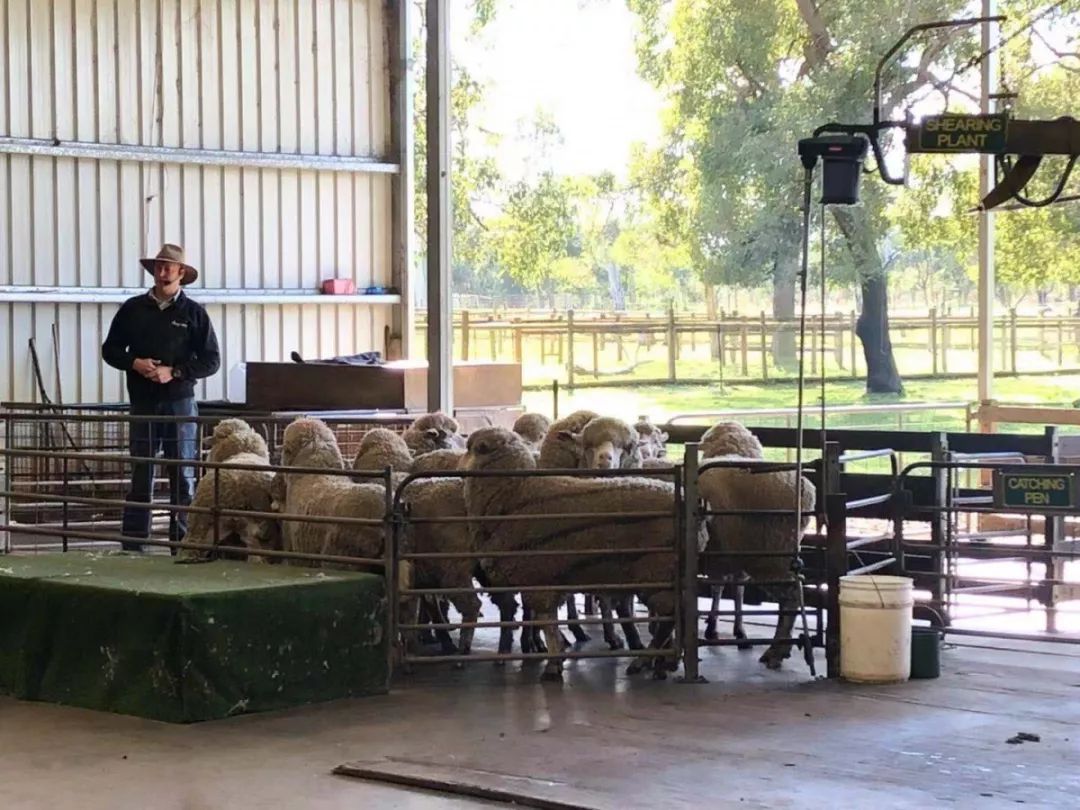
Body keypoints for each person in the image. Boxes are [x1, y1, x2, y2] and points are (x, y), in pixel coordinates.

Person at [102, 243, 221, 553]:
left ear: (181, 273)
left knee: (182, 474)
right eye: (159, 266)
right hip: (143, 401)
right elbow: (110, 349)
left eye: (169, 266)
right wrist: (134, 363)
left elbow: (211, 360)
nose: (163, 271)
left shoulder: (194, 314)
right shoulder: (132, 309)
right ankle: (133, 546)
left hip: (179, 401)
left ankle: (183, 544)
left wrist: (175, 372)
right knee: (141, 472)